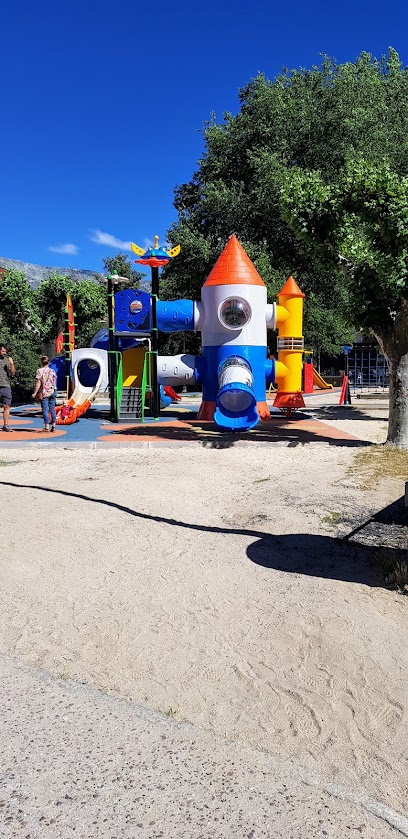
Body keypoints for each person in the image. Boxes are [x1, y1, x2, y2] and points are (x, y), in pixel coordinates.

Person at [32, 356, 57, 432]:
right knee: (52, 409)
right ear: (48, 362)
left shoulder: (39, 371)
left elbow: (39, 382)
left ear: (41, 362)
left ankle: (46, 427)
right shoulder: (53, 371)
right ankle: (54, 426)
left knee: (45, 410)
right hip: (53, 391)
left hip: (45, 392)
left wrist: (35, 393)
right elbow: (54, 381)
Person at [0, 344, 15, 432]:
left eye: (5, 351)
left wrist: (12, 364)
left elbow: (12, 374)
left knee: (6, 406)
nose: (5, 353)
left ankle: (6, 425)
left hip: (5, 385)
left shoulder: (6, 360)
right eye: (3, 351)